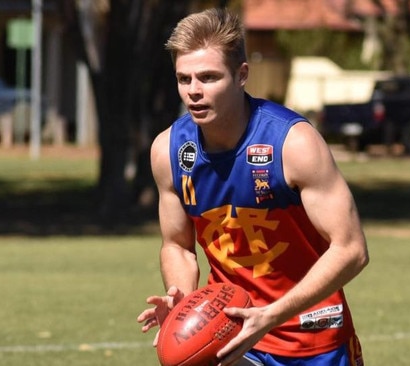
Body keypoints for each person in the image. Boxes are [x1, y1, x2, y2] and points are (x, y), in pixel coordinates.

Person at [137, 7, 369, 366]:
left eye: (209, 77)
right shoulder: (168, 152)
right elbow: (178, 247)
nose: (194, 92)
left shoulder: (293, 144)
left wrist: (272, 314)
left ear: (241, 74)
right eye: (184, 79)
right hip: (232, 338)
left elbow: (351, 249)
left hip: (312, 340)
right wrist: (182, 302)